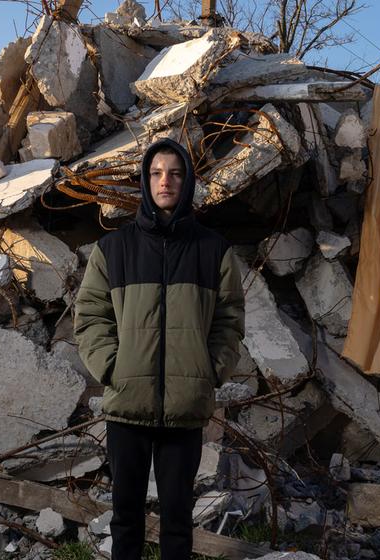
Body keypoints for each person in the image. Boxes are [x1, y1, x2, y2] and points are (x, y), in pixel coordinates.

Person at [74, 138, 245, 559]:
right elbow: (91, 317)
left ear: (186, 182)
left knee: (177, 519)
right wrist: (113, 368)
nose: (165, 181)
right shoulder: (113, 250)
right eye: (155, 173)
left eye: (174, 172)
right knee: (125, 516)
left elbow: (229, 320)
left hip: (186, 408)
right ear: (145, 182)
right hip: (126, 405)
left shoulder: (213, 251)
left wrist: (209, 369)